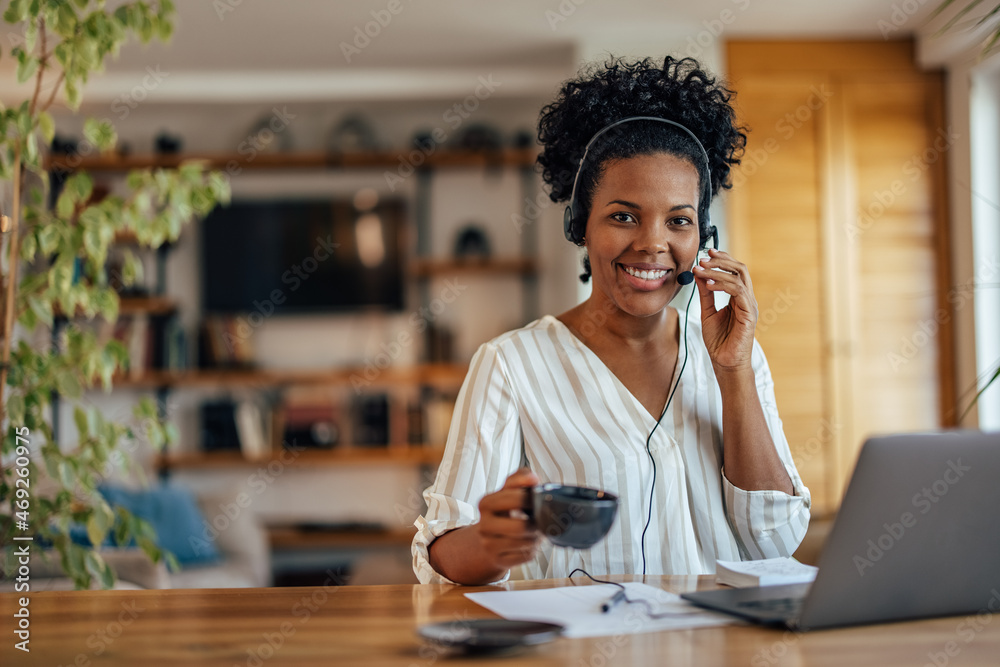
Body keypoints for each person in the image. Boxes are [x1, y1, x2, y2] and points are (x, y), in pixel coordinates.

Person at [412, 56, 811, 585]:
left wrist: (733, 371)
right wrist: (490, 541)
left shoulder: (737, 356)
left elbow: (777, 541)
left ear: (704, 240)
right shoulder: (512, 365)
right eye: (623, 216)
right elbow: (440, 556)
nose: (652, 243)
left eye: (679, 221)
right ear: (580, 225)